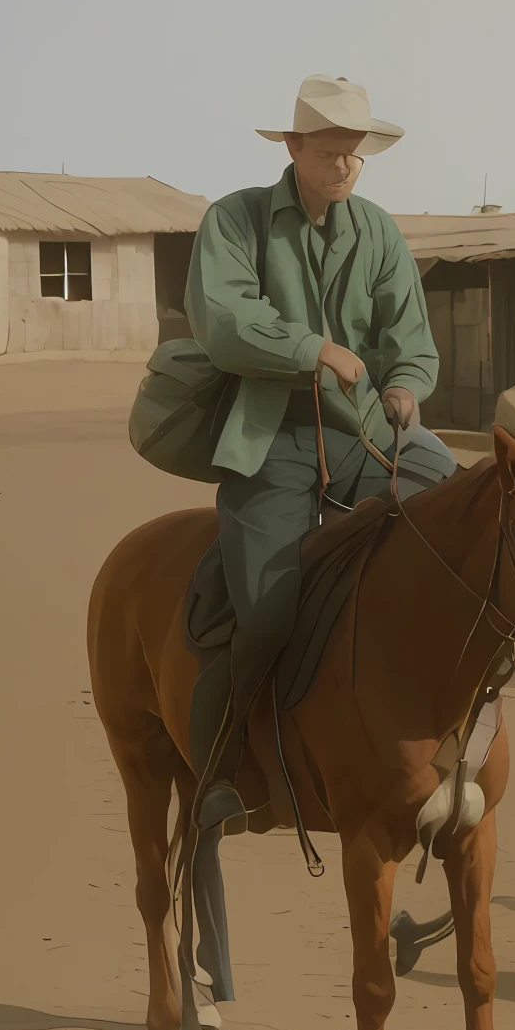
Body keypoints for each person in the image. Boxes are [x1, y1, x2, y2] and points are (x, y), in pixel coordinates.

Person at [185, 74, 455, 839]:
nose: (345, 167)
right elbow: (227, 323)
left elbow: (412, 341)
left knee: (473, 514)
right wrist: (316, 350)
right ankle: (224, 775)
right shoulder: (233, 221)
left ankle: (466, 724)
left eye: (356, 155)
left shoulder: (377, 231)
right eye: (331, 151)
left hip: (368, 431)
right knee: (267, 612)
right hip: (272, 437)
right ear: (294, 147)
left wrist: (405, 386)